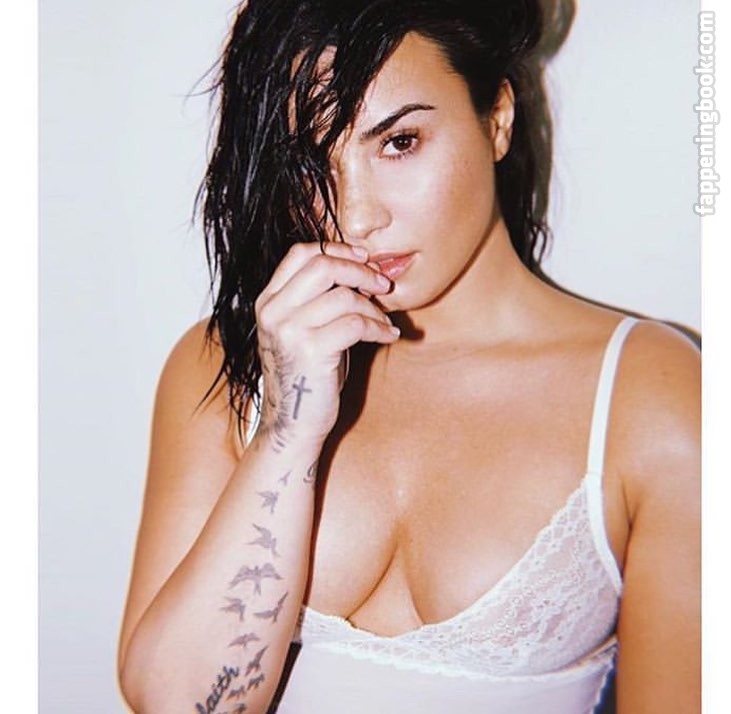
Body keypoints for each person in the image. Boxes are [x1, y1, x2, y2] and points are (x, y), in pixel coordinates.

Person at [117, 1, 700, 712]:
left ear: (497, 117)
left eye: (399, 142)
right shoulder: (227, 366)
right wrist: (288, 429)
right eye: (311, 161)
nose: (356, 215)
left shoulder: (650, 396)